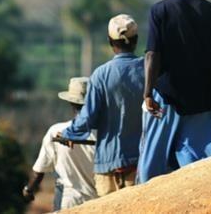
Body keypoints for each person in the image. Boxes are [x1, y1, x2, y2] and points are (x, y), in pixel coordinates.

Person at [139, 0, 211, 183]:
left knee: (151, 167)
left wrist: (148, 94)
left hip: (168, 96)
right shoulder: (210, 11)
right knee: (201, 167)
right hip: (205, 96)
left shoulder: (160, 10)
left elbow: (152, 54)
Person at [58, 14, 145, 196]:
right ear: (136, 40)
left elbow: (88, 117)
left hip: (108, 164)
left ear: (110, 42)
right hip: (141, 163)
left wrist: (69, 133)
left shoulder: (101, 75)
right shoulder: (148, 70)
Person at [23, 78, 98, 209]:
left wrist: (29, 189)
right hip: (98, 202)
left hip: (67, 201)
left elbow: (39, 171)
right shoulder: (104, 134)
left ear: (70, 102)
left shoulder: (56, 131)